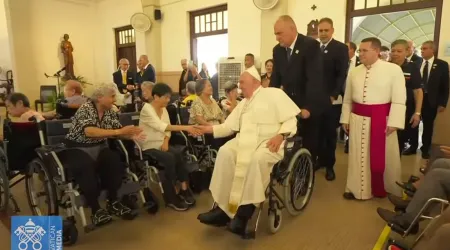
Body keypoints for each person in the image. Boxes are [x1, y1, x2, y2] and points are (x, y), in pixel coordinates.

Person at [196, 66, 300, 236]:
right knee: (225, 152)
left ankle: (243, 215)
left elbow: (290, 120)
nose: (239, 85)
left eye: (242, 82)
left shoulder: (274, 94)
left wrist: (281, 136)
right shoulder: (243, 103)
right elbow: (228, 127)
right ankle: (223, 210)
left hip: (269, 142)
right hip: (243, 141)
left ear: (255, 82)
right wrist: (204, 129)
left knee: (256, 160)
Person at [63, 83, 143, 226]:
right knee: (86, 168)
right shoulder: (86, 108)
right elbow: (90, 131)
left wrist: (130, 135)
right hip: (78, 147)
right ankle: (95, 210)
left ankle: (113, 202)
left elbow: (118, 131)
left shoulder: (109, 111)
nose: (114, 99)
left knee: (115, 162)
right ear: (100, 98)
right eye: (112, 96)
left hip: (99, 146)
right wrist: (119, 132)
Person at [340, 37, 406, 200]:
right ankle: (356, 188)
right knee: (357, 155)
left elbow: (399, 99)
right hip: (357, 119)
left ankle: (388, 186)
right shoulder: (354, 71)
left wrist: (395, 122)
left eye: (364, 50)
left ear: (376, 51)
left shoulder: (393, 70)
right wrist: (345, 118)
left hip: (382, 120)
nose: (360, 54)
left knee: (385, 156)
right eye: (359, 51)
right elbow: (348, 98)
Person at [270, 15, 327, 168]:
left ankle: (303, 179)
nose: (277, 38)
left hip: (308, 103)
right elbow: (275, 78)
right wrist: (269, 101)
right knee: (288, 139)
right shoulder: (278, 50)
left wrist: (308, 108)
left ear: (292, 29)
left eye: (279, 33)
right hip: (289, 105)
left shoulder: (310, 45)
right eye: (275, 34)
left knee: (307, 143)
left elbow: (315, 80)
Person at [139, 83, 200, 211]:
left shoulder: (164, 108)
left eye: (169, 97)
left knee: (178, 154)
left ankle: (184, 189)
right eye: (165, 97)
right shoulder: (146, 109)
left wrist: (166, 141)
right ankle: (171, 197)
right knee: (169, 158)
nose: (168, 100)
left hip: (162, 143)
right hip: (149, 146)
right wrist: (186, 127)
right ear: (156, 96)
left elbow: (167, 130)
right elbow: (163, 126)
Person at [316, 17, 349, 181]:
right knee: (317, 132)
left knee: (329, 133)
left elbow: (341, 73)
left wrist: (333, 95)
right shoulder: (314, 47)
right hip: (315, 99)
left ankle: (329, 165)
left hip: (331, 99)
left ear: (332, 30)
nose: (322, 33)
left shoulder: (340, 48)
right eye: (320, 30)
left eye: (325, 30)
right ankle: (319, 160)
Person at [405, 41, 449, 159]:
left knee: (428, 126)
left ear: (432, 50)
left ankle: (425, 148)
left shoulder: (442, 65)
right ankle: (412, 146)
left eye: (425, 48)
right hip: (415, 100)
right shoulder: (416, 63)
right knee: (413, 123)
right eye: (421, 48)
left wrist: (442, 103)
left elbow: (445, 86)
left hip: (431, 100)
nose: (422, 51)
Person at [389, 39, 423, 154]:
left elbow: (418, 91)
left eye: (399, 51)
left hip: (405, 110)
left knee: (399, 141)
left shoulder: (412, 67)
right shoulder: (385, 67)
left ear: (406, 52)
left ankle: (394, 170)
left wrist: (417, 113)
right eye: (393, 51)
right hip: (385, 109)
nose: (395, 54)